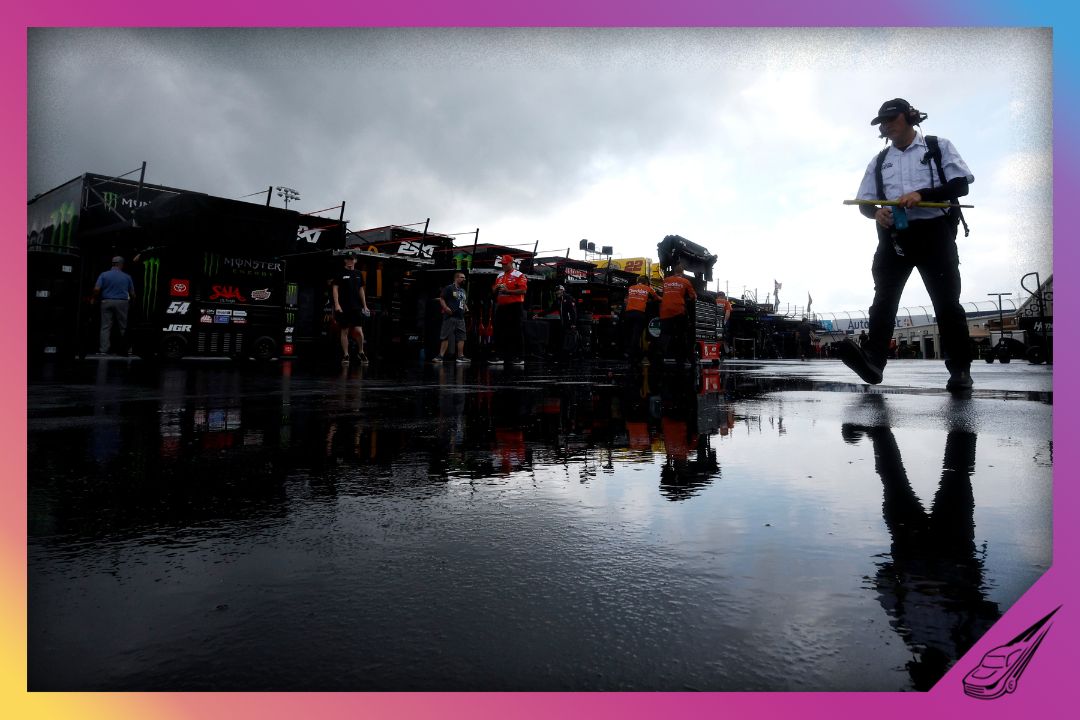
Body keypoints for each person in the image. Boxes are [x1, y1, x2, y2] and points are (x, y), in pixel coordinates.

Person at [841, 98, 975, 392]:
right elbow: (864, 203)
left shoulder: (938, 146)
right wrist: (877, 212)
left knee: (946, 303)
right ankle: (873, 362)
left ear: (910, 117)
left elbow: (961, 185)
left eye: (891, 119)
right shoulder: (879, 160)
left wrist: (922, 193)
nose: (886, 126)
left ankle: (960, 370)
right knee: (884, 300)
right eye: (883, 122)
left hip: (935, 233)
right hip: (894, 236)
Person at [332, 252, 371, 365]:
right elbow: (335, 289)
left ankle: (361, 351)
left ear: (355, 261)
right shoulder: (340, 273)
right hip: (344, 307)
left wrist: (365, 305)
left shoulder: (358, 273)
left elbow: (361, 290)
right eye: (348, 259)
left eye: (352, 259)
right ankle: (346, 355)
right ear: (345, 260)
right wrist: (337, 304)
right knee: (345, 331)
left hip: (356, 307)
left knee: (359, 331)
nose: (350, 261)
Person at [92, 256, 135, 354]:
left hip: (106, 302)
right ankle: (127, 349)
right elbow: (132, 294)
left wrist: (93, 298)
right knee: (123, 327)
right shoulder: (127, 276)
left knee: (105, 327)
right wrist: (132, 303)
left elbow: (97, 289)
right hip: (122, 303)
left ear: (113, 263)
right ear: (121, 264)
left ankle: (103, 350)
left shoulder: (104, 275)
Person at [490, 254, 528, 366]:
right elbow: (493, 290)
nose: (504, 266)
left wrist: (508, 292)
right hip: (501, 306)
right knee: (499, 330)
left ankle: (519, 357)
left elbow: (523, 291)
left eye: (506, 264)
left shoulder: (519, 275)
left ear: (511, 263)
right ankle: (500, 356)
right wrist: (495, 289)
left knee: (516, 331)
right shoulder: (499, 276)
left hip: (515, 306)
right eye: (502, 264)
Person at [658, 261, 697, 367]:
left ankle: (659, 357)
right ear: (682, 272)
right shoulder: (685, 281)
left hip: (665, 310)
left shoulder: (665, 281)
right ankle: (680, 359)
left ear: (674, 272)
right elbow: (693, 296)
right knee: (680, 335)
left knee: (665, 334)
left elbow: (664, 293)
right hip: (678, 310)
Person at [434, 271, 470, 364]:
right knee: (445, 336)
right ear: (456, 278)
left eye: (464, 277)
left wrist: (465, 307)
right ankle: (440, 356)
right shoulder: (449, 288)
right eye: (462, 277)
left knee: (461, 337)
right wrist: (445, 308)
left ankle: (460, 356)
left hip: (460, 317)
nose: (464, 279)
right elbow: (442, 298)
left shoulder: (462, 290)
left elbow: (462, 301)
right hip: (450, 316)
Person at [623, 275, 659, 365]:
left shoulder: (631, 288)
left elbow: (626, 300)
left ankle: (630, 353)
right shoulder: (647, 288)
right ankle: (634, 356)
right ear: (646, 283)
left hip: (628, 314)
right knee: (636, 335)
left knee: (629, 334)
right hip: (639, 314)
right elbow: (656, 298)